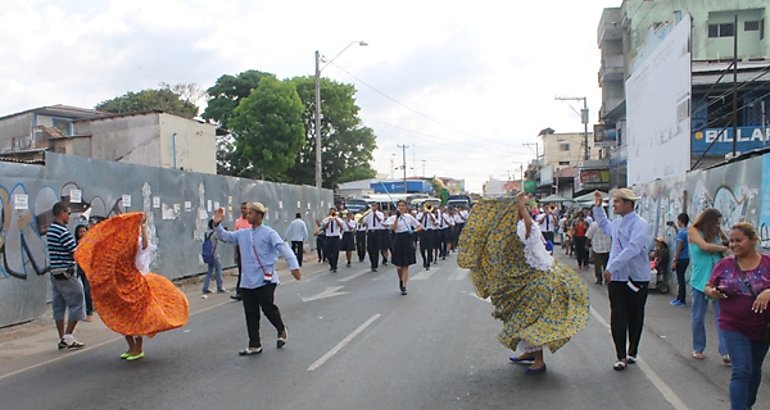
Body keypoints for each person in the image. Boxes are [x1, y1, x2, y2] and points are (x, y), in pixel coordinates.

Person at [458, 193, 589, 375]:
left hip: (536, 281)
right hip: (526, 279)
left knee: (531, 320)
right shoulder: (514, 227)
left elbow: (529, 233)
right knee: (519, 318)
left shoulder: (525, 226)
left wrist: (521, 208)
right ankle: (529, 354)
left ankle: (539, 360)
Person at [74, 212, 190, 361]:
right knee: (121, 317)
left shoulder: (136, 242)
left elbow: (145, 246)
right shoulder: (116, 246)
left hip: (137, 284)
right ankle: (131, 346)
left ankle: (138, 348)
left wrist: (142, 225)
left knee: (137, 317)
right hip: (121, 285)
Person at [212, 202, 301, 355]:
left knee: (268, 308)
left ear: (260, 215)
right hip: (247, 280)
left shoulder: (269, 233)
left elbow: (283, 247)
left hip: (265, 278)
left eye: (251, 213)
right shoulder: (243, 233)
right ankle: (254, 344)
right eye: (247, 213)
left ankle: (281, 329)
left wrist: (294, 266)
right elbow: (225, 237)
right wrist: (217, 224)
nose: (248, 215)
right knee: (250, 312)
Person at [705, 222, 770, 410]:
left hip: (762, 327)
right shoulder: (725, 264)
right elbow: (708, 287)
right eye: (731, 241)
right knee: (741, 370)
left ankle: (746, 404)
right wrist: (713, 292)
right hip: (732, 325)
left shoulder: (767, 263)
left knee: (754, 370)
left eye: (738, 240)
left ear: (753, 240)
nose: (733, 245)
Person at [592, 189, 652, 371]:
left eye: (617, 202)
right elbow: (604, 224)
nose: (614, 205)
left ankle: (632, 350)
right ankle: (621, 355)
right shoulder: (617, 224)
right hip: (617, 278)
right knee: (617, 315)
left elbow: (633, 248)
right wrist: (597, 207)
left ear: (628, 203)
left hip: (636, 277)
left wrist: (612, 266)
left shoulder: (640, 225)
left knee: (635, 315)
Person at [688, 208, 730, 364]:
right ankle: (698, 347)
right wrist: (723, 248)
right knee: (698, 317)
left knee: (722, 317)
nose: (717, 226)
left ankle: (726, 351)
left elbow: (729, 242)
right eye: (716, 223)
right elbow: (705, 247)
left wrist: (722, 233)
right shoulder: (694, 231)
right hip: (700, 280)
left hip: (719, 279)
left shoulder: (717, 233)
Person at [47, 202, 87, 349]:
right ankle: (68, 336)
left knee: (59, 306)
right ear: (61, 213)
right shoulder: (62, 231)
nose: (69, 217)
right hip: (67, 273)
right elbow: (75, 252)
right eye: (68, 213)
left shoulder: (51, 229)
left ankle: (62, 337)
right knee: (77, 303)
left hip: (55, 273)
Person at [386, 200, 424, 295]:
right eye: (399, 206)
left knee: (406, 265)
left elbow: (420, 226)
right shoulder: (393, 217)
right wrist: (397, 218)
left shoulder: (409, 217)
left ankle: (404, 286)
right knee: (399, 266)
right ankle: (401, 280)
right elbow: (393, 228)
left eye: (403, 206)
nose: (401, 207)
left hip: (407, 239)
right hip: (397, 239)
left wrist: (414, 231)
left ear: (406, 207)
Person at [231, 202, 252, 301]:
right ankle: (240, 292)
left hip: (251, 250)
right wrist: (236, 252)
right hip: (240, 249)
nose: (243, 210)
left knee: (250, 270)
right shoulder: (238, 221)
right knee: (241, 271)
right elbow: (235, 237)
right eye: (242, 208)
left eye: (245, 208)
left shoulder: (251, 221)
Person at [74, 224, 94, 322]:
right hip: (80, 270)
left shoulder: (90, 243)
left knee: (87, 290)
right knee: (80, 292)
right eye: (80, 232)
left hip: (89, 270)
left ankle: (89, 312)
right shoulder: (76, 244)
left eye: (84, 231)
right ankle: (83, 312)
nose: (82, 233)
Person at [671, 213, 691, 307]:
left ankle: (681, 300)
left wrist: (675, 260)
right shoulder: (685, 231)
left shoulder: (682, 233)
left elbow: (679, 247)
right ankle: (679, 298)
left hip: (681, 258)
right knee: (681, 278)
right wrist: (675, 228)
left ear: (680, 220)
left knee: (680, 279)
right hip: (685, 258)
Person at [202, 219, 226, 296]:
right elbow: (223, 238)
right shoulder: (215, 234)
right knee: (218, 271)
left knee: (209, 272)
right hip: (215, 255)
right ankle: (220, 287)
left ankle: (205, 287)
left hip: (208, 255)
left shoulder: (207, 233)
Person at [586, 218, 611, 285]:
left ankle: (599, 279)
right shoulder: (609, 223)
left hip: (597, 248)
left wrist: (587, 244)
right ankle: (607, 279)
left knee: (598, 265)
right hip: (607, 247)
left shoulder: (594, 224)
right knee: (607, 265)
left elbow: (589, 235)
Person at [363, 202, 385, 272]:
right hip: (370, 232)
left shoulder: (380, 214)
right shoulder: (368, 214)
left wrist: (375, 214)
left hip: (377, 231)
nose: (373, 207)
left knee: (376, 249)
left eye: (374, 206)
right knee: (369, 249)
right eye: (372, 206)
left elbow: (380, 221)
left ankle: (375, 265)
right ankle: (372, 262)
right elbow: (364, 222)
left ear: (377, 206)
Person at [321, 208, 345, 273]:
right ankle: (331, 263)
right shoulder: (326, 219)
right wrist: (329, 220)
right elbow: (325, 227)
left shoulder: (339, 219)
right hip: (328, 237)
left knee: (335, 252)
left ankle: (335, 266)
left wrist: (336, 219)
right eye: (331, 212)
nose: (332, 214)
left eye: (333, 213)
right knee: (327, 252)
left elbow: (341, 227)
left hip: (336, 237)